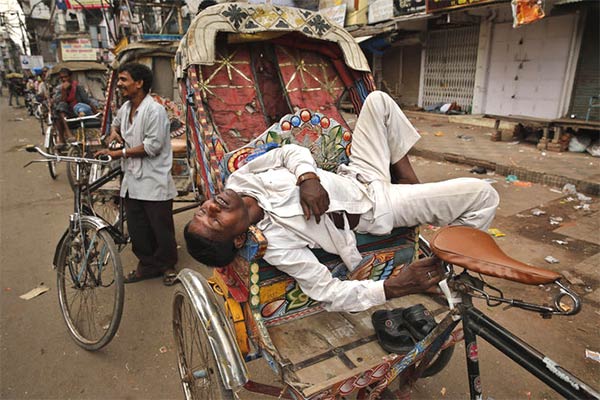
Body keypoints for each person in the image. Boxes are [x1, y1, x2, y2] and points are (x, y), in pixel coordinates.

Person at [184, 91, 500, 313]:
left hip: (359, 174)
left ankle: (411, 184)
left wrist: (308, 178)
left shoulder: (239, 179)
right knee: (484, 195)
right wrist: (394, 287)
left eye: (203, 210)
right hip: (378, 206)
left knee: (378, 102)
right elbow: (328, 292)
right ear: (239, 237)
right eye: (213, 221)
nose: (211, 206)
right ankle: (447, 273)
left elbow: (287, 152)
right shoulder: (278, 244)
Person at [95, 63, 178, 286]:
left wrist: (117, 153)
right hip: (131, 180)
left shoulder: (154, 110)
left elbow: (152, 146)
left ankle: (167, 266)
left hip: (154, 179)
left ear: (139, 83)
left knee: (160, 228)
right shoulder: (125, 108)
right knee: (137, 229)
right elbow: (115, 124)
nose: (119, 84)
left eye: (124, 80)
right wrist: (114, 133)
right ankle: (148, 265)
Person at [53, 68, 98, 144]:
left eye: (66, 77)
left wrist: (96, 112)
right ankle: (64, 136)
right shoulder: (59, 89)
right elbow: (58, 102)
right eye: (62, 78)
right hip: (64, 115)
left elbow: (86, 100)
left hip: (77, 112)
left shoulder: (78, 86)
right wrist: (64, 91)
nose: (64, 79)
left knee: (63, 109)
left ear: (70, 77)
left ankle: (66, 136)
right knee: (61, 107)